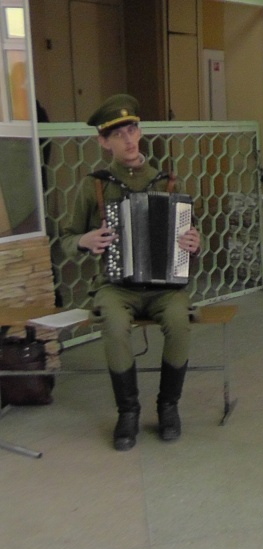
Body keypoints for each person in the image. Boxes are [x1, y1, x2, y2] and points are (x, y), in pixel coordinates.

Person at [60, 94, 201, 451]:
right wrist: (84, 240)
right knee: (113, 324)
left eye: (132, 130)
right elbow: (66, 239)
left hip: (164, 287)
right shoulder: (95, 185)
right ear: (103, 142)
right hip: (115, 286)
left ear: (140, 132)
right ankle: (128, 412)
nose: (128, 139)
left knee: (179, 321)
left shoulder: (167, 183)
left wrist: (195, 243)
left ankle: (168, 406)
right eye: (118, 134)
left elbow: (192, 240)